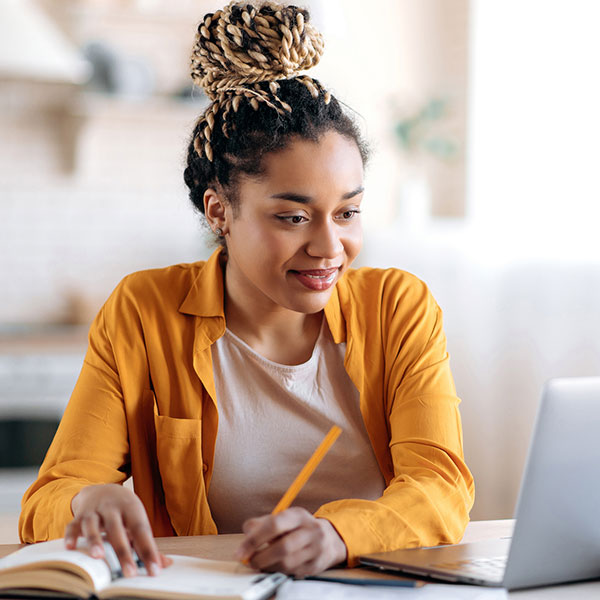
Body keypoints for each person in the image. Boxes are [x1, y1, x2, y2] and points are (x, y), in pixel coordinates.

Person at [19, 0, 474, 579]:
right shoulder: (144, 311)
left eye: (348, 212)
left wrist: (338, 535)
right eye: (292, 217)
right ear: (219, 210)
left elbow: (442, 486)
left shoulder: (398, 307)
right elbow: (48, 499)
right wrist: (87, 501)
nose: (329, 247)